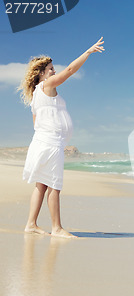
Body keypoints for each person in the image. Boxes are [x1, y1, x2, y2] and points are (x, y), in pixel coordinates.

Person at [19, 37, 105, 238]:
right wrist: (88, 52)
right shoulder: (47, 85)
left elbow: (36, 123)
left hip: (44, 141)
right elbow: (70, 71)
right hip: (50, 143)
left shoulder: (36, 96)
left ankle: (31, 224)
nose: (54, 71)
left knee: (41, 185)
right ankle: (56, 228)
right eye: (50, 68)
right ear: (41, 73)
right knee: (54, 185)